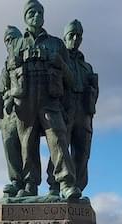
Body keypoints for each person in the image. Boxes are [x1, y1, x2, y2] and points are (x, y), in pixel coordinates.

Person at [9, 0, 81, 199]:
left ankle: (65, 183)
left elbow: (71, 79)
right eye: (31, 12)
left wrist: (61, 64)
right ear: (25, 17)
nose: (36, 16)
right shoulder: (16, 44)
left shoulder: (56, 43)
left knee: (58, 137)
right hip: (25, 99)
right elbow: (9, 74)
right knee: (27, 142)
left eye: (39, 12)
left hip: (50, 97)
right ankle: (30, 184)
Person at [47, 19, 99, 195]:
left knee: (83, 153)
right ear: (65, 37)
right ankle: (55, 186)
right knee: (60, 148)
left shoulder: (87, 67)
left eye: (78, 35)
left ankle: (77, 189)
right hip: (65, 109)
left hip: (83, 113)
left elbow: (95, 91)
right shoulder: (59, 60)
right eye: (71, 35)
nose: (75, 38)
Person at [0, 25, 24, 197]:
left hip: (28, 109)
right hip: (10, 113)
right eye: (7, 40)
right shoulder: (6, 66)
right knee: (9, 141)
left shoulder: (26, 61)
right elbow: (1, 90)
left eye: (13, 39)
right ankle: (16, 181)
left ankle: (33, 184)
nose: (10, 43)